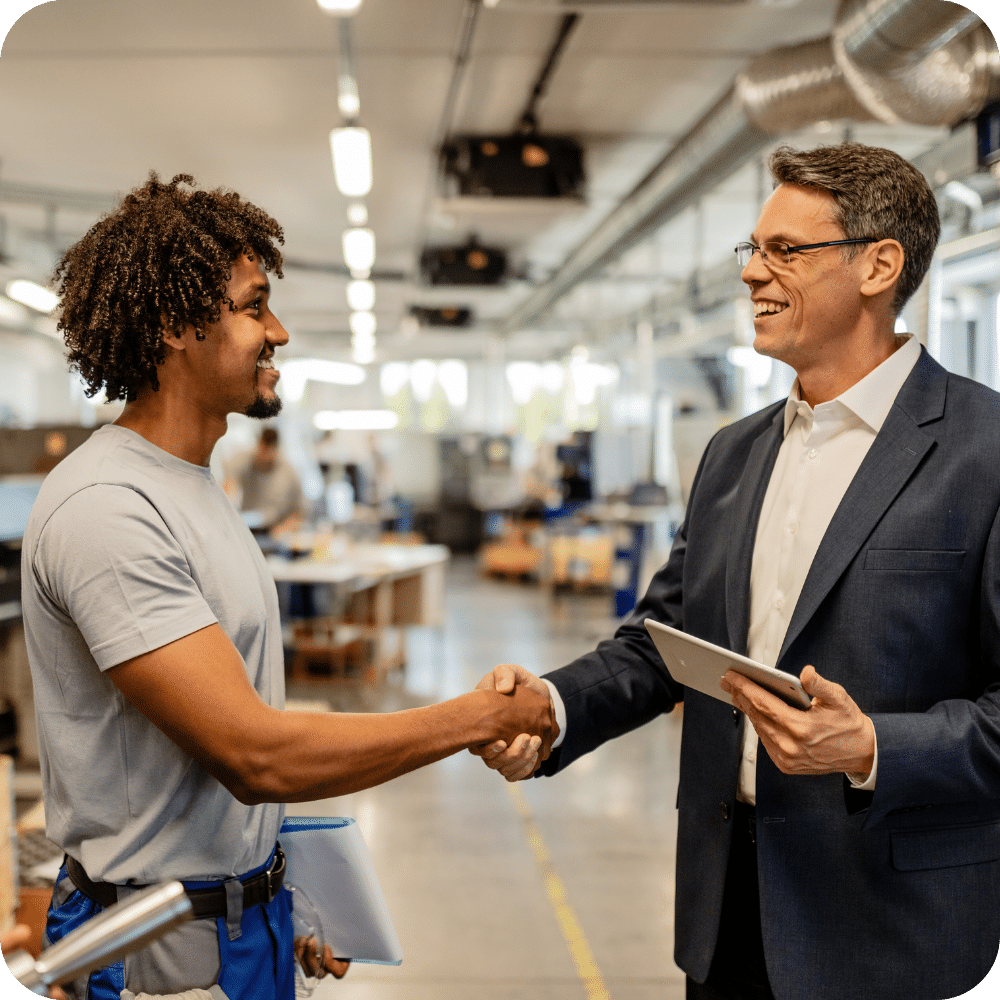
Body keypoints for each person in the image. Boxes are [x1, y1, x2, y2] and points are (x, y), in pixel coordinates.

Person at [476, 143, 1000, 1000]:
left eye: (784, 251)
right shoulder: (734, 453)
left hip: (892, 926)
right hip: (727, 914)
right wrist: (554, 705)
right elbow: (664, 645)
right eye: (751, 250)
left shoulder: (985, 450)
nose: (753, 274)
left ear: (879, 264)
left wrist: (871, 746)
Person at [20, 173, 555, 1000]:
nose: (279, 330)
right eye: (252, 306)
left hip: (236, 923)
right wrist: (478, 716)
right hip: (157, 950)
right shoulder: (106, 509)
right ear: (174, 326)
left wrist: (283, 898)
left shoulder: (195, 484)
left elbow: (233, 741)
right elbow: (253, 754)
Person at [223, 427, 305, 535]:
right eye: (262, 449)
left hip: (275, 531)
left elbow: (300, 512)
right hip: (245, 528)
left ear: (276, 449)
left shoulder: (289, 473)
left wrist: (282, 530)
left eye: (268, 450)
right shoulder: (241, 460)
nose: (264, 455)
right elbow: (228, 488)